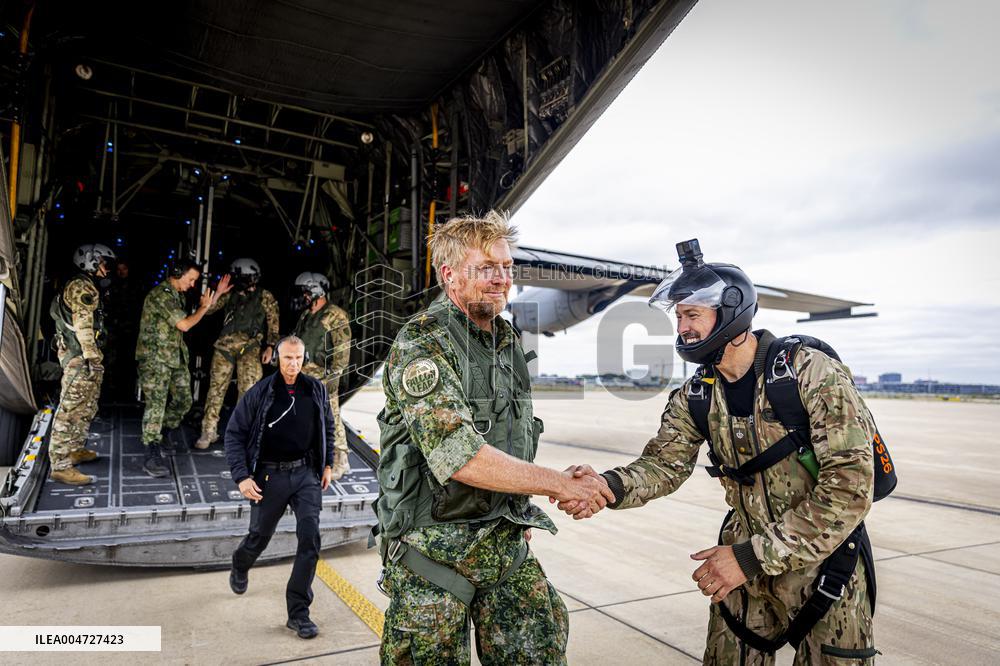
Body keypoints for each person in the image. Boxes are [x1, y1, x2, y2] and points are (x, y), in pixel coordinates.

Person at [560, 239, 880, 664]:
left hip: (825, 567)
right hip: (742, 575)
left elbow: (850, 489)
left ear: (731, 312)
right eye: (678, 317)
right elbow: (662, 465)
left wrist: (748, 558)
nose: (682, 329)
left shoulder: (809, 372)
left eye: (692, 315)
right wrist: (607, 485)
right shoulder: (696, 394)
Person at [374, 212, 615, 665]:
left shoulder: (506, 342)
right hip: (433, 556)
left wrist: (538, 489)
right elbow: (460, 456)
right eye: (487, 267)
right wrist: (557, 485)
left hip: (504, 545)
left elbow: (509, 441)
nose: (502, 279)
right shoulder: (422, 344)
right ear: (449, 275)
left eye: (506, 267)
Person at [225, 336, 337, 640]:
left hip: (305, 475)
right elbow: (234, 434)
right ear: (277, 358)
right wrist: (241, 477)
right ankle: (240, 562)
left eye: (299, 358)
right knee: (259, 536)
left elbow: (327, 424)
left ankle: (298, 613)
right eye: (288, 358)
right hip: (269, 477)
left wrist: (327, 464)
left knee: (310, 539)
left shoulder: (315, 389)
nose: (294, 364)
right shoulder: (261, 393)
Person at [136, 259, 227, 477]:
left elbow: (190, 317)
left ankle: (164, 431)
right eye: (191, 279)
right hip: (155, 359)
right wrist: (205, 306)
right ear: (177, 273)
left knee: (184, 400)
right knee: (156, 404)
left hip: (173, 358)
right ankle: (151, 452)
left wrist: (216, 296)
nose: (192, 285)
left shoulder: (177, 295)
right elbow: (184, 324)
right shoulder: (162, 295)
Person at [47, 243, 116, 485]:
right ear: (92, 261)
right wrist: (91, 356)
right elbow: (83, 324)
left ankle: (74, 451)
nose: (107, 269)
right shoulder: (81, 286)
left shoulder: (87, 285)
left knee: (86, 408)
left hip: (85, 357)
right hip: (80, 358)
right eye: (104, 263)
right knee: (69, 411)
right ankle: (60, 465)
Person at [196, 258, 280, 449]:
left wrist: (270, 346)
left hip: (250, 349)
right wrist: (218, 292)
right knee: (216, 390)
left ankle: (243, 435)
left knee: (248, 393)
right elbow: (207, 310)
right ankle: (208, 431)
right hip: (224, 348)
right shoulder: (229, 294)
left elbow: (273, 323)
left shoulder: (265, 296)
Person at [291, 271, 351, 480]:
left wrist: (334, 378)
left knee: (331, 417)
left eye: (306, 292)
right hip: (303, 375)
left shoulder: (336, 315)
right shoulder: (307, 315)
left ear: (317, 290)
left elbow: (342, 351)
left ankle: (340, 461)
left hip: (323, 377)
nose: (304, 297)